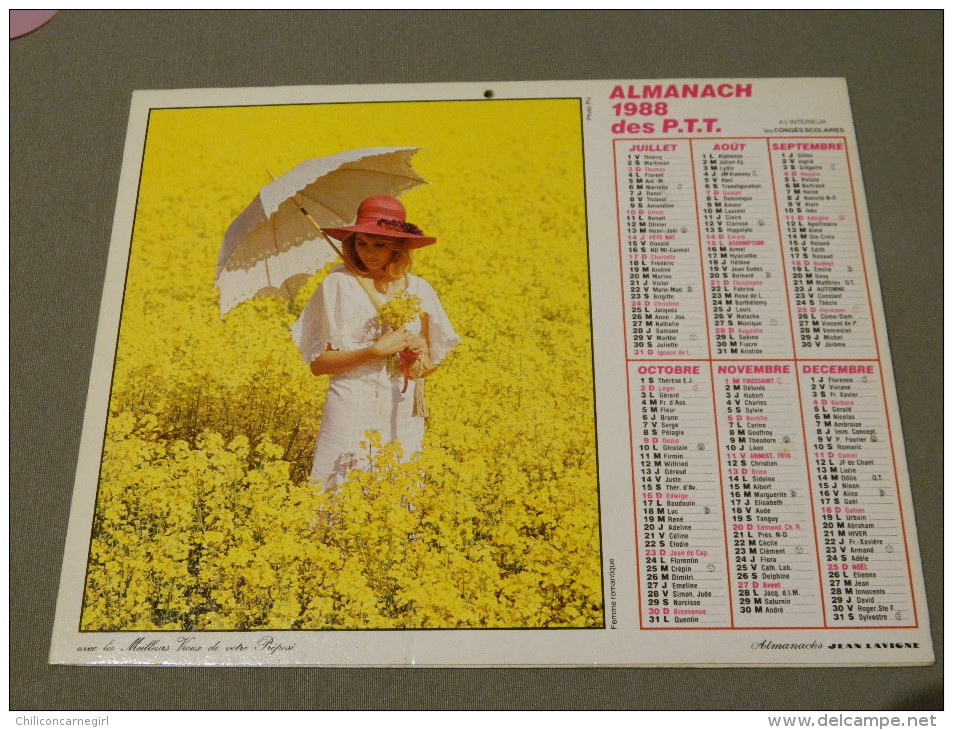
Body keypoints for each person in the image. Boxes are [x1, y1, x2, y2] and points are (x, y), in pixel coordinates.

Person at [291, 196, 459, 490]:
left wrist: (416, 350)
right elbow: (318, 365)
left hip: (401, 409)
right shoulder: (338, 285)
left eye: (380, 245)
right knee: (338, 494)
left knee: (397, 494)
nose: (369, 253)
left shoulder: (419, 289)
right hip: (350, 405)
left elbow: (427, 364)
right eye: (362, 243)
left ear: (398, 247)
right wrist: (374, 351)